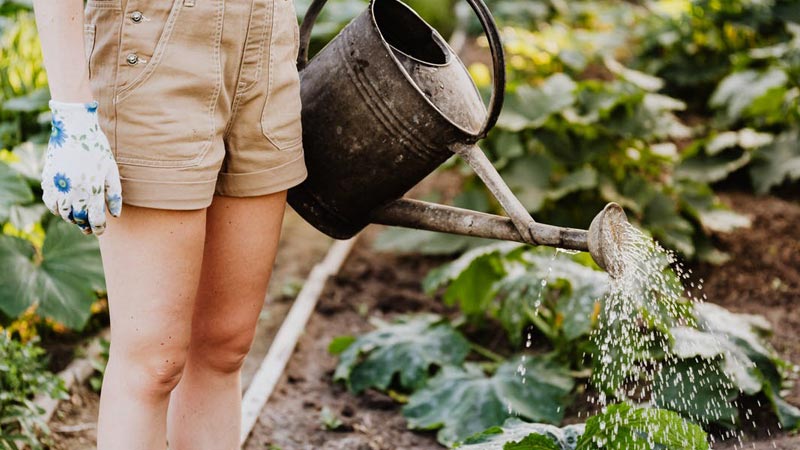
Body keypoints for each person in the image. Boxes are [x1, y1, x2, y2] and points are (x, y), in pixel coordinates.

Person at [32, 1, 307, 448]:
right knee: (152, 363)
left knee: (226, 345)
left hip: (267, 37)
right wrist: (71, 112)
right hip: (153, 43)